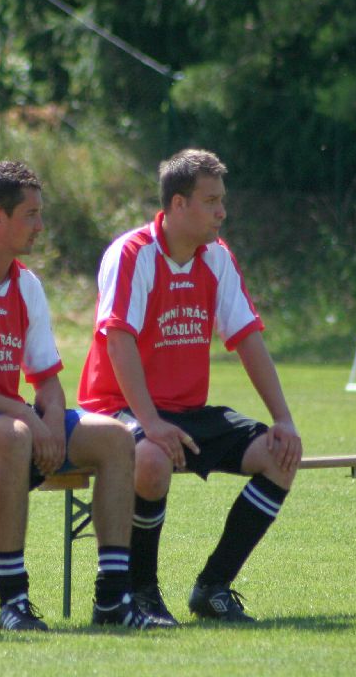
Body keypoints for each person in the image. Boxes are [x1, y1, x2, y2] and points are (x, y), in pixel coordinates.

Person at [0, 161, 164, 631]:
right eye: (30, 214)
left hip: (8, 419)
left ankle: (113, 598)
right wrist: (28, 419)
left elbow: (47, 379)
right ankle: (13, 601)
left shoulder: (26, 283)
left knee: (116, 438)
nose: (40, 226)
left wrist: (50, 421)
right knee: (15, 436)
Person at [77, 148, 302, 625]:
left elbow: (248, 339)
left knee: (280, 456)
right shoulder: (132, 253)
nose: (222, 212)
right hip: (117, 408)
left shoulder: (217, 257)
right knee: (152, 460)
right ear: (178, 204)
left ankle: (212, 587)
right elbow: (118, 341)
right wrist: (151, 423)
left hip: (185, 412)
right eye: (211, 201)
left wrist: (283, 419)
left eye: (222, 201)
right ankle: (142, 592)